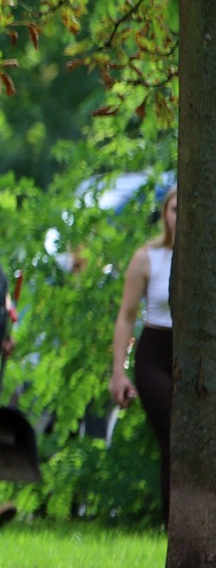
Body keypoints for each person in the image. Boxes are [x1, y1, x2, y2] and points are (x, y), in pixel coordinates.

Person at [111, 183, 177, 523]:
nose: (180, 217)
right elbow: (126, 316)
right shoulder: (147, 257)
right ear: (165, 214)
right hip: (156, 352)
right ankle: (174, 527)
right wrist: (118, 371)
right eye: (174, 209)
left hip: (195, 353)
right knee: (174, 436)